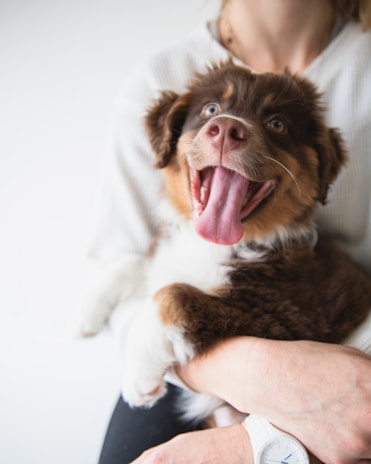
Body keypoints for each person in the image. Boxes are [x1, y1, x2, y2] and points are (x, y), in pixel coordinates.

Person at [80, 1, 371, 463]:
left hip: (347, 356)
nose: (228, 127)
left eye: (276, 124)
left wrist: (249, 445)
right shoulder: (160, 74)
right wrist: (254, 374)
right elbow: (119, 260)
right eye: (212, 111)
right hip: (184, 366)